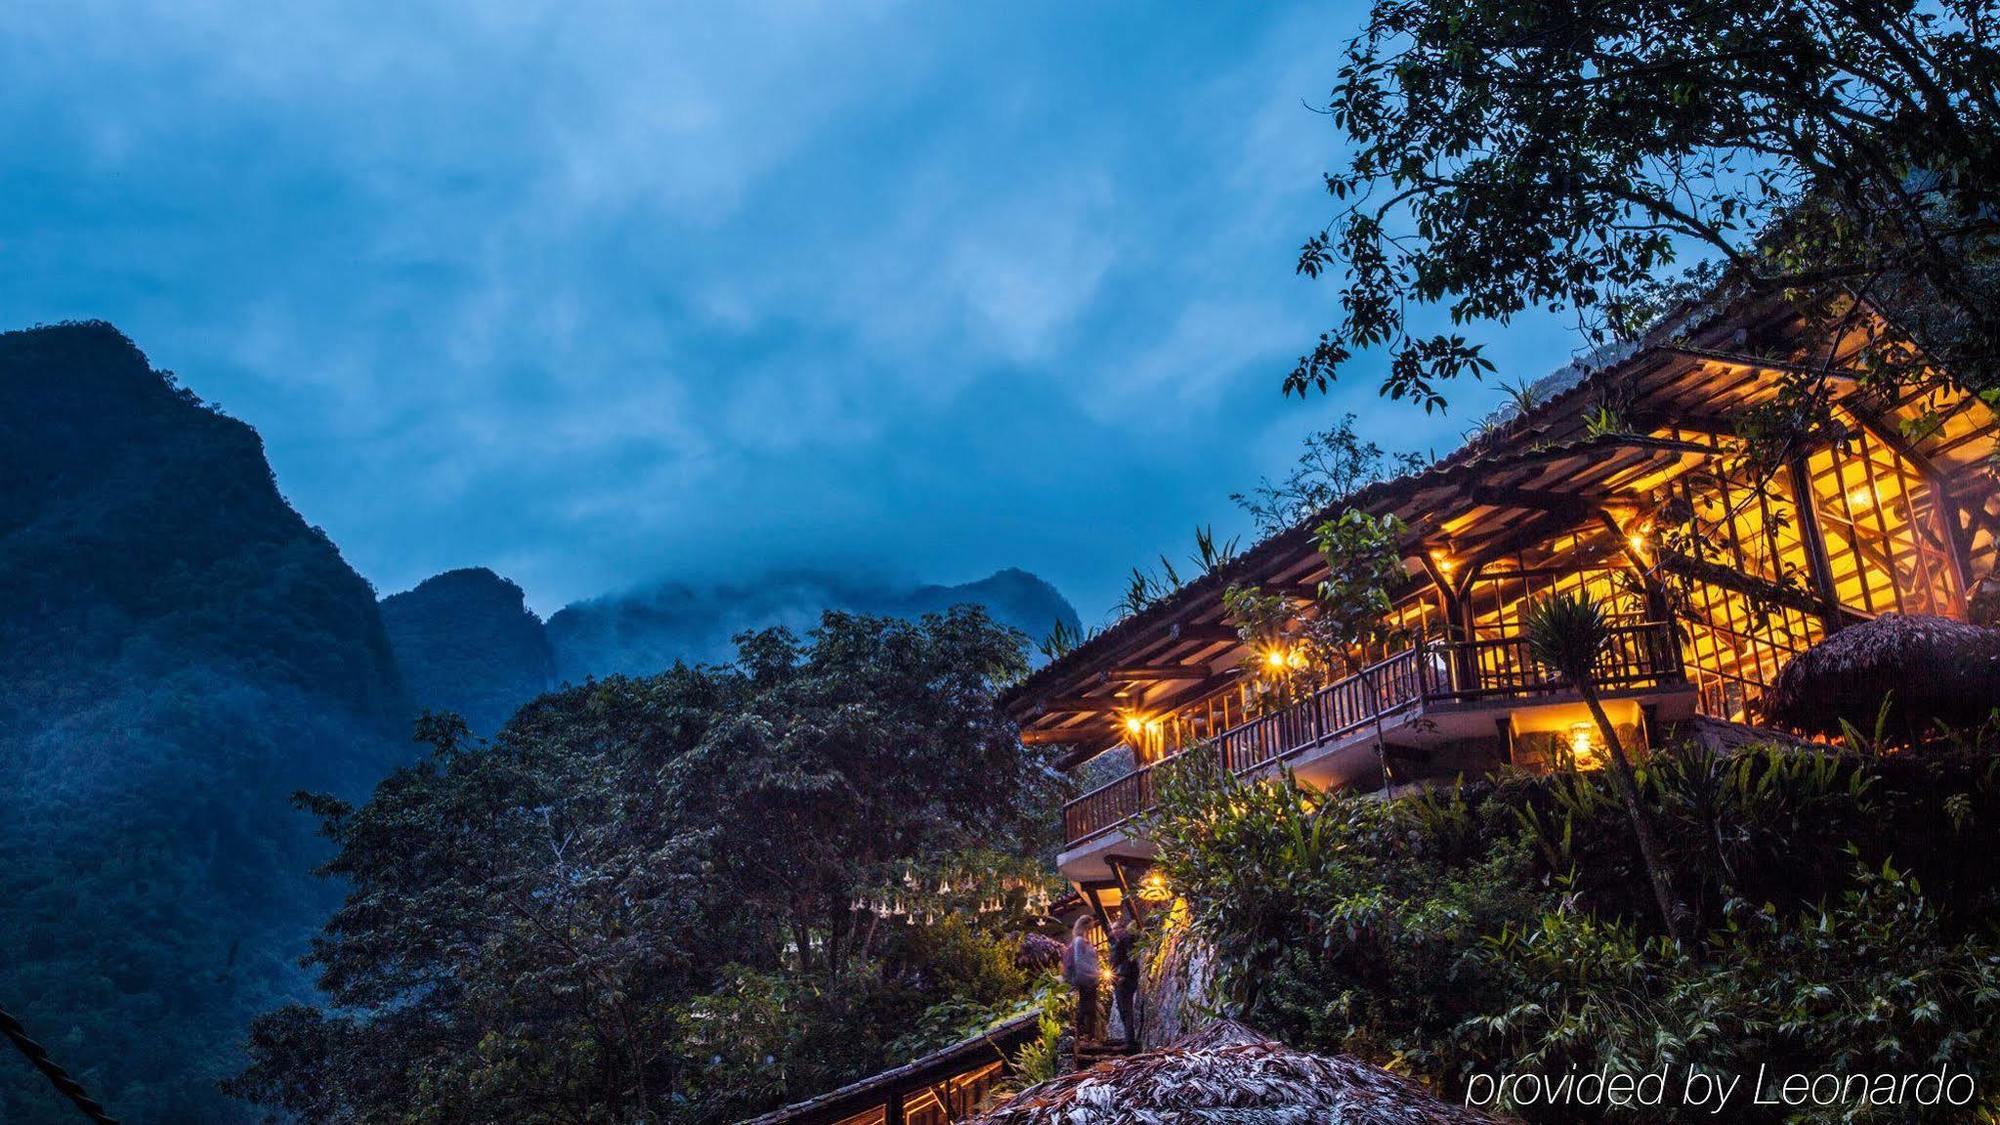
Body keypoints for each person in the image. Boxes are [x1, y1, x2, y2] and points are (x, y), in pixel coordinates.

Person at [1060, 915, 1103, 1043]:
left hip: (1092, 978)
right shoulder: (1079, 941)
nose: (1092, 928)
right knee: (1086, 1007)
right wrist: (1094, 971)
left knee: (1090, 1007)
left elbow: (1091, 960)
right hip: (1085, 978)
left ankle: (1089, 1036)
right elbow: (1079, 961)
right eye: (1090, 926)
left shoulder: (1086, 941)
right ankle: (1081, 1035)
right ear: (1085, 925)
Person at [1108, 905, 1141, 1046]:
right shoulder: (1121, 940)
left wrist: (1122, 975)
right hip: (1121, 978)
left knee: (1125, 1008)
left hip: (1124, 979)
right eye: (1112, 929)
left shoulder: (1125, 939)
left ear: (1121, 929)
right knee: (1124, 1008)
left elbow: (1129, 958)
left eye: (1115, 929)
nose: (1113, 932)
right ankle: (1129, 1039)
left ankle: (1129, 1040)